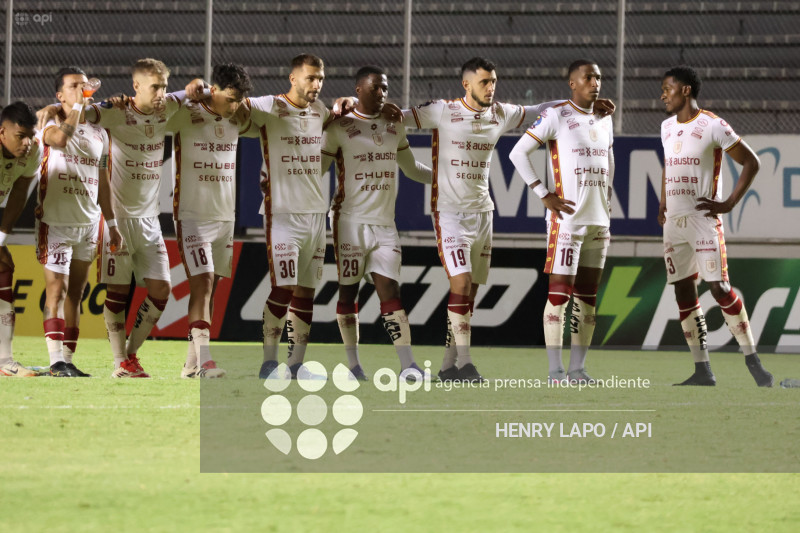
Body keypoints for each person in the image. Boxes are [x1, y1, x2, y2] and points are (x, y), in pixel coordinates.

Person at [403, 57, 614, 383]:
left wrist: (582, 104)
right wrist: (355, 105)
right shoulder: (442, 111)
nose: (491, 87)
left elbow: (538, 108)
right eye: (485, 82)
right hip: (449, 213)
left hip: (483, 212)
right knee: (460, 285)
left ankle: (448, 368)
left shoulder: (500, 113)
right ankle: (468, 364)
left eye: (493, 81)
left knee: (468, 292)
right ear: (467, 84)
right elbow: (396, 119)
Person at [658, 65, 772, 387]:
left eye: (667, 87)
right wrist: (663, 201)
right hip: (674, 223)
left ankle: (753, 361)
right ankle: (702, 370)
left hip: (703, 221)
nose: (662, 94)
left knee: (719, 287)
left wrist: (729, 203)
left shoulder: (713, 125)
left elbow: (752, 162)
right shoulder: (666, 127)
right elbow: (669, 164)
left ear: (685, 90)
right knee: (682, 290)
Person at [321, 66, 431, 380]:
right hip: (348, 221)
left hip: (384, 225)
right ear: (358, 89)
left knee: (390, 290)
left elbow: (412, 169)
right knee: (347, 292)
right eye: (375, 88)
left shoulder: (394, 125)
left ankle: (408, 366)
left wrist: (444, 180)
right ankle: (354, 365)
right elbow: (318, 168)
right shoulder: (338, 127)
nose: (382, 93)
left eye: (385, 88)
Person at [509, 59, 614, 384]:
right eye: (588, 77)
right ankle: (556, 371)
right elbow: (518, 153)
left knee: (588, 298)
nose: (595, 82)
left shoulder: (605, 117)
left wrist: (607, 197)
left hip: (599, 221)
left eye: (597, 77)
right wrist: (543, 192)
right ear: (573, 83)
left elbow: (609, 158)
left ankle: (578, 369)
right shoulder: (556, 115)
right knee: (559, 294)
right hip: (566, 221)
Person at [87, 59, 179, 377]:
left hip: (150, 220)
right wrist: (98, 101)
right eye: (155, 86)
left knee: (161, 289)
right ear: (136, 86)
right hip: (119, 218)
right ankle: (119, 363)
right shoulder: (117, 112)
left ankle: (130, 354)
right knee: (117, 292)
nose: (161, 93)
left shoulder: (168, 108)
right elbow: (83, 115)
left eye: (165, 86)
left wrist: (201, 87)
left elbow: (196, 95)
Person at [168, 63, 253, 379]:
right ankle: (205, 362)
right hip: (193, 215)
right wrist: (189, 87)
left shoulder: (239, 117)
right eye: (230, 99)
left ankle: (191, 364)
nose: (235, 106)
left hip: (224, 217)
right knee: (202, 284)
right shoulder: (185, 113)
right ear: (213, 90)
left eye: (239, 100)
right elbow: (155, 108)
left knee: (212, 286)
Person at [38, 66, 123, 377]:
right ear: (59, 95)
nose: (82, 90)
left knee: (77, 293)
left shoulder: (100, 133)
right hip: (56, 221)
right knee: (56, 291)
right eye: (74, 86)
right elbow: (59, 140)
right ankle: (55, 360)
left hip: (89, 224)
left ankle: (68, 360)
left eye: (85, 86)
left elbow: (103, 180)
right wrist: (75, 108)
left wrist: (112, 224)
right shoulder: (49, 120)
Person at [0, 102, 43, 377]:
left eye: (30, 135)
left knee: (3, 266)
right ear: (2, 132)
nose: (26, 142)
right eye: (20, 136)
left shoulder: (34, 150)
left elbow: (19, 191)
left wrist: (1, 236)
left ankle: (4, 361)